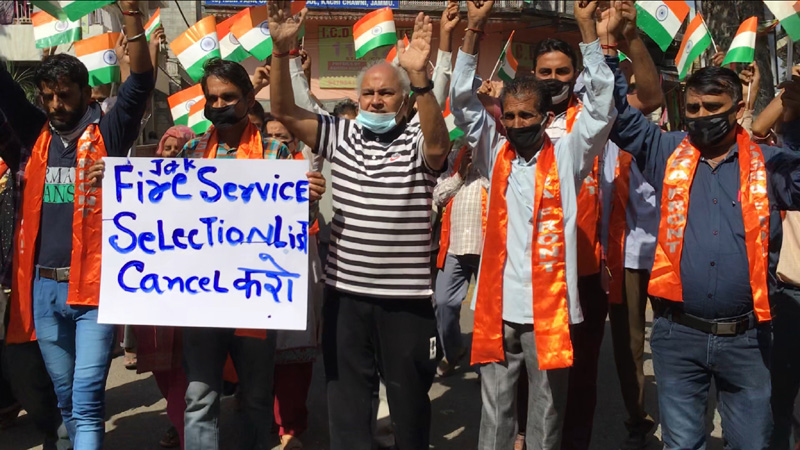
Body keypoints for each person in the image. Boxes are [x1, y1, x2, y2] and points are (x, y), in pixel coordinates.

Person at [268, 1, 450, 448]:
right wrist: (280, 52)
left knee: (409, 410)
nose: (374, 100)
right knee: (347, 407)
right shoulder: (339, 133)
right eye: (368, 93)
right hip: (346, 298)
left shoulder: (416, 138)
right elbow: (285, 112)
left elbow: (439, 144)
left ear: (401, 98)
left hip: (405, 303)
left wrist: (421, 78)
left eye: (386, 93)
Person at [606, 46, 800, 448]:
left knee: (751, 443)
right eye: (692, 108)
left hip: (748, 339)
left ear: (738, 106)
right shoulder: (666, 151)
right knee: (682, 445)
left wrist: (796, 112)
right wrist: (606, 47)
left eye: (712, 106)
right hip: (678, 336)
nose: (699, 117)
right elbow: (616, 115)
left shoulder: (768, 163)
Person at [450, 1, 614, 449]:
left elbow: (601, 107)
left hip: (550, 310)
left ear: (545, 118)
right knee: (496, 413)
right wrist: (473, 31)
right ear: (503, 117)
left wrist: (586, 29)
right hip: (497, 306)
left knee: (547, 415)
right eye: (512, 116)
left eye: (528, 116)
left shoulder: (567, 156)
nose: (519, 124)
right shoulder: (492, 152)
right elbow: (462, 102)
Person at [0, 2, 153, 448]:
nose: (54, 105)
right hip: (44, 292)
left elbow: (141, 81)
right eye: (47, 97)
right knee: (65, 396)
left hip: (95, 288)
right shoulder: (36, 135)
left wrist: (130, 16)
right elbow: (6, 90)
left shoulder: (108, 132)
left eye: (63, 95)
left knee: (85, 397)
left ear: (86, 93)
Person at [171, 57, 325, 450]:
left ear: (247, 98)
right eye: (213, 98)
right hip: (201, 297)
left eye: (229, 97)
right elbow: (165, 216)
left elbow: (297, 221)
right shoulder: (189, 153)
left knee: (257, 398)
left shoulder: (275, 153)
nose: (219, 105)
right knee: (199, 398)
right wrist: (115, 180)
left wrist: (307, 198)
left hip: (255, 298)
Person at [537, 3, 662, 449]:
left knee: (591, 366)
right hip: (535, 268)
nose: (552, 80)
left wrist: (618, 34)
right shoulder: (516, 121)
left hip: (596, 259)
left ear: (575, 74)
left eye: (562, 72)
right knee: (531, 370)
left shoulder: (595, 116)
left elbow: (648, 98)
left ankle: (619, 426)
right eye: (544, 73)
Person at [133, 124, 197, 449]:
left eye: (179, 148)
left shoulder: (203, 187)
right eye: (168, 148)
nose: (172, 154)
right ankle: (178, 420)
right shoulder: (141, 186)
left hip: (187, 293)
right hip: (152, 293)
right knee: (159, 366)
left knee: (181, 372)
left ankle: (186, 429)